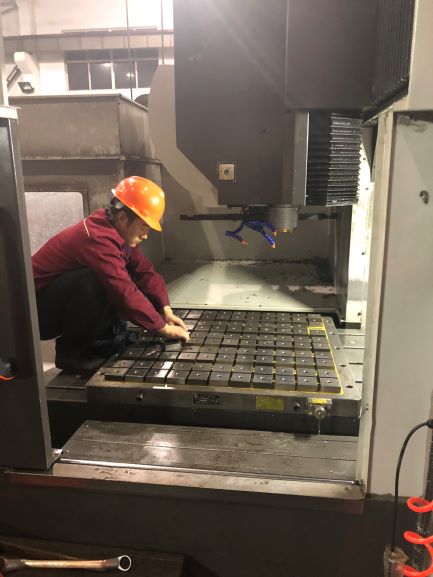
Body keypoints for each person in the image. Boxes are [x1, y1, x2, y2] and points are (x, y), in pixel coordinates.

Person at [32, 176, 189, 372]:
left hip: (56, 304)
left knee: (113, 279)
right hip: (36, 314)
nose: (145, 235)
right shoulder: (97, 238)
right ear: (123, 218)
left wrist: (165, 309)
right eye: (143, 227)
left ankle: (104, 342)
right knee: (95, 280)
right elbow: (123, 290)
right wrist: (162, 328)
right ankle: (73, 354)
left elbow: (143, 270)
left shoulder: (115, 230)